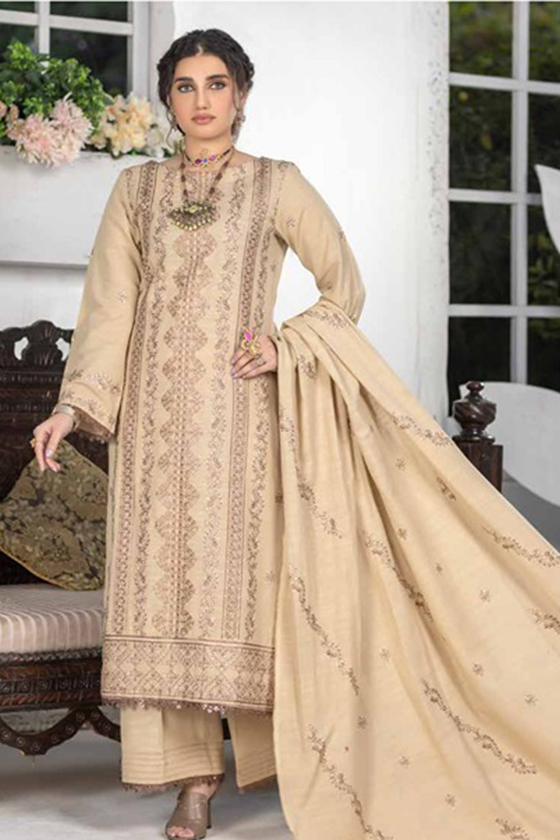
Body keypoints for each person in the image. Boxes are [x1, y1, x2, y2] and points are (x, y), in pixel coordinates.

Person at [30, 27, 560, 840]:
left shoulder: (276, 183)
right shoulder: (135, 191)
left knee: (240, 591)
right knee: (162, 593)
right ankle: (193, 780)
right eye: (185, 86)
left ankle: (281, 759)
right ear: (167, 99)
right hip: (152, 427)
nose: (201, 100)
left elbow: (343, 284)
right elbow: (109, 308)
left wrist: (289, 346)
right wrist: (73, 408)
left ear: (241, 95)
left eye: (216, 84)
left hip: (241, 422)